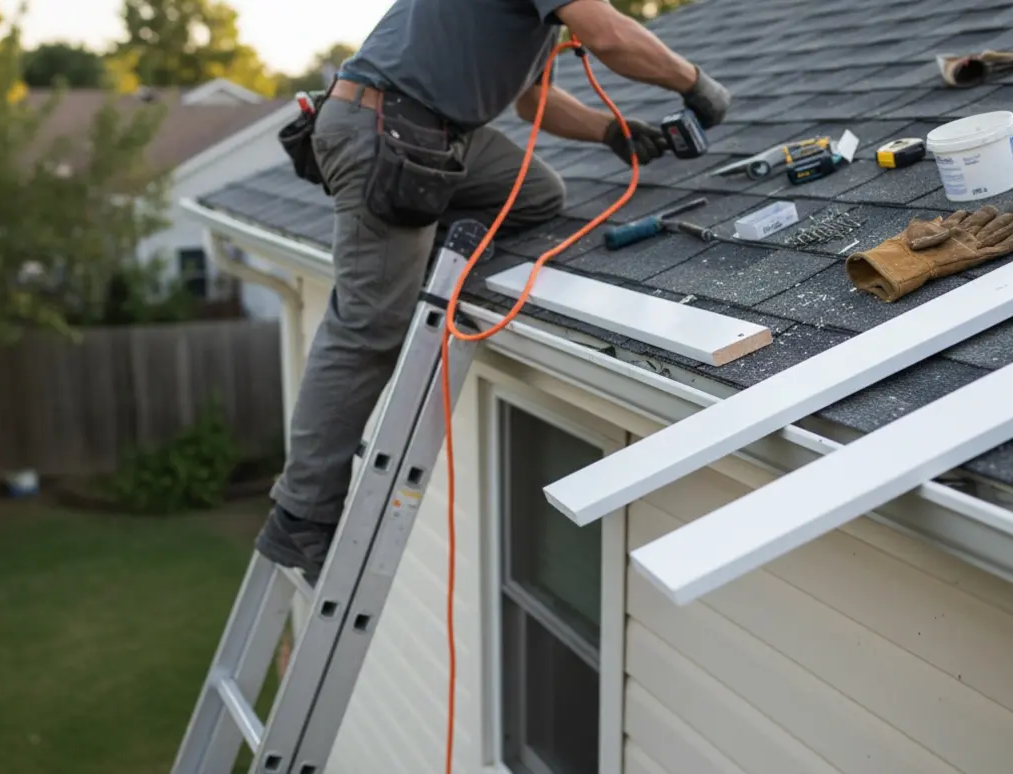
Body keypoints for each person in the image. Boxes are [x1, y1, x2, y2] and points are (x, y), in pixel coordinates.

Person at [258, 0, 732, 583]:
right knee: (369, 326)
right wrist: (696, 84)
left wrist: (612, 132)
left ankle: (406, 247)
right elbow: (611, 37)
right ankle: (301, 513)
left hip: (431, 131)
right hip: (384, 129)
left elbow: (534, 102)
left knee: (535, 192)